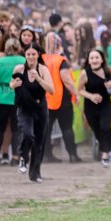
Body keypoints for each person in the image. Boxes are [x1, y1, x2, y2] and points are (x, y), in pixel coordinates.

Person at [10, 43, 55, 182]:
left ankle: (35, 173)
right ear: (25, 55)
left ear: (38, 55)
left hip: (40, 107)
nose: (30, 57)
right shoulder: (19, 68)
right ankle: (23, 157)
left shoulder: (43, 69)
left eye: (33, 54)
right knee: (28, 134)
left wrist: (38, 79)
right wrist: (13, 85)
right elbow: (11, 84)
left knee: (39, 141)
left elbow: (51, 90)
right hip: (24, 107)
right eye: (28, 54)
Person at [41, 33, 80, 163]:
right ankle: (73, 155)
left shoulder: (41, 59)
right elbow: (66, 79)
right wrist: (76, 93)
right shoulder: (60, 60)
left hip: (46, 99)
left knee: (46, 129)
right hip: (62, 100)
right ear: (59, 44)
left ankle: (47, 155)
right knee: (67, 128)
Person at [79, 49, 111, 167]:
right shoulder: (84, 73)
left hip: (105, 103)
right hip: (90, 106)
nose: (94, 60)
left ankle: (105, 154)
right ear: (88, 61)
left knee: (106, 127)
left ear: (102, 60)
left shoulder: (108, 71)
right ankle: (108, 149)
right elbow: (79, 90)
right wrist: (91, 96)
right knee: (97, 130)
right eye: (92, 58)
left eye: (97, 58)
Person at [0, 37, 24, 166]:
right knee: (16, 128)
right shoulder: (23, 60)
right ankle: (15, 157)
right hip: (17, 96)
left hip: (2, 95)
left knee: (0, 127)